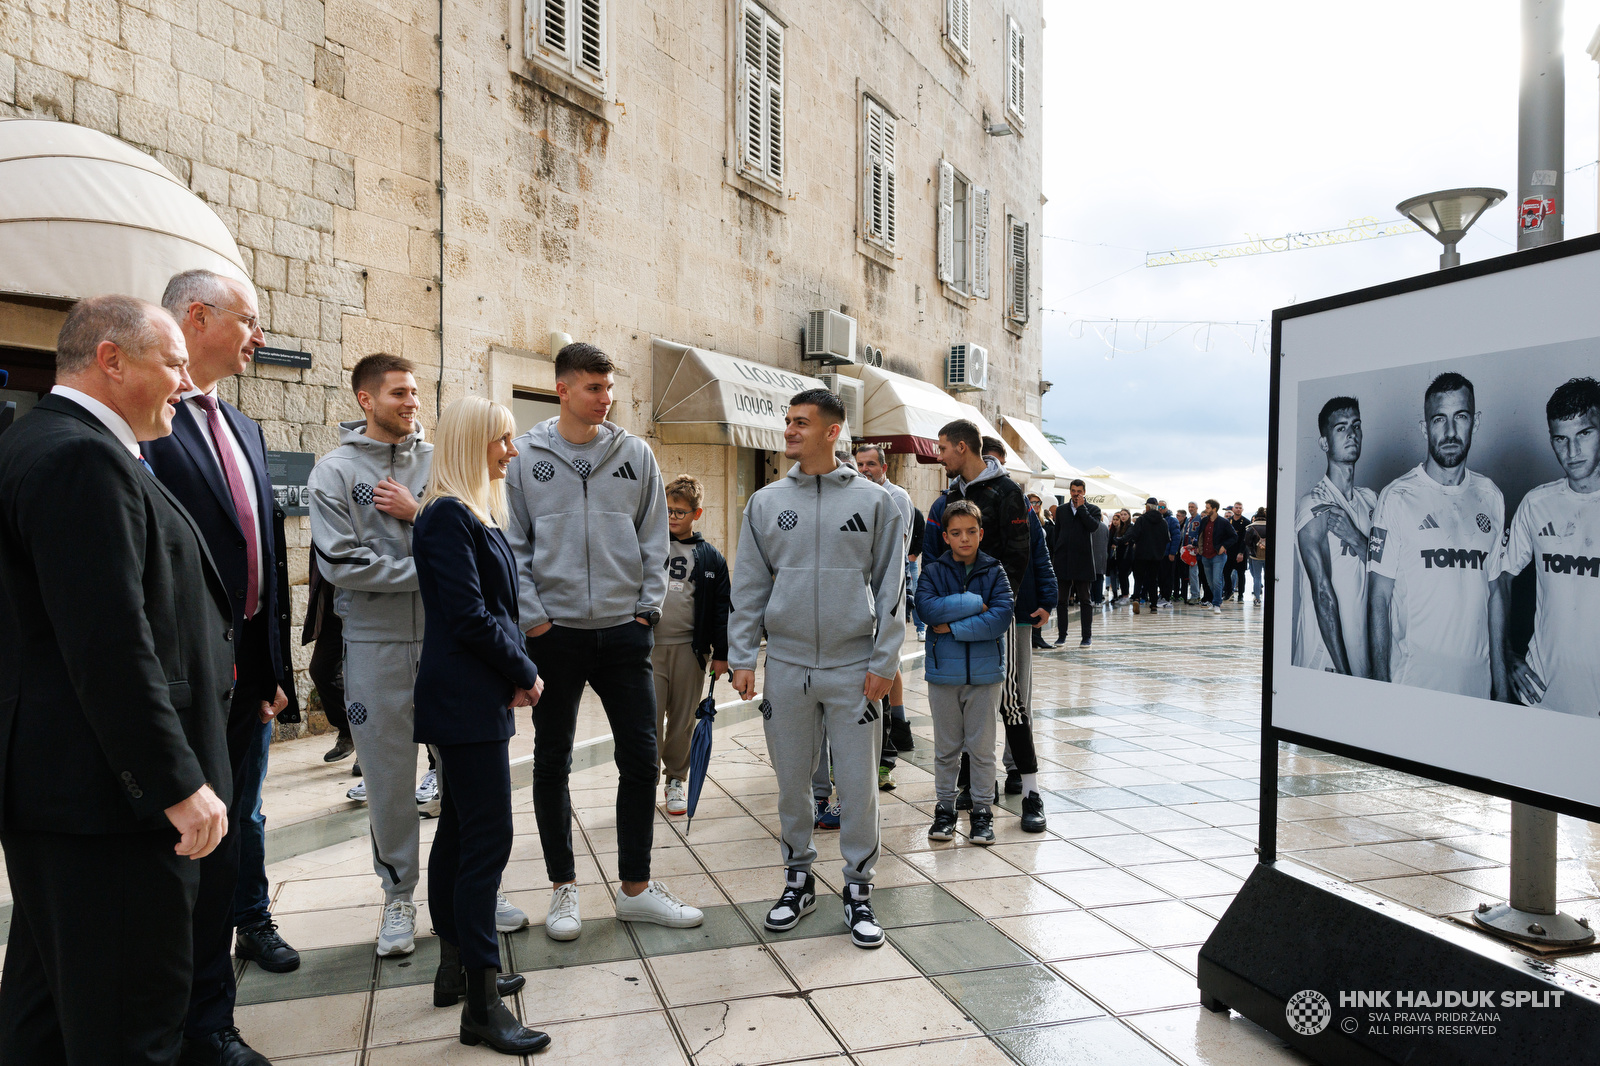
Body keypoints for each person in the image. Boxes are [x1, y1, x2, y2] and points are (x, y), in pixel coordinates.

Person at [0, 295, 233, 1065]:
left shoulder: (37, 439)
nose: (185, 383)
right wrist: (173, 782)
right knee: (130, 1028)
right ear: (111, 360)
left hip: (64, 803)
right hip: (109, 809)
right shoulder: (80, 457)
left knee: (47, 1018)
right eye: (173, 363)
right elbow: (107, 643)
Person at [141, 272, 299, 1066]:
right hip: (177, 687)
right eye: (248, 321)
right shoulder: (141, 425)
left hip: (246, 690)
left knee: (230, 847)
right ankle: (177, 1022)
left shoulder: (243, 423)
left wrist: (273, 672)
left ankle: (210, 1020)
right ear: (195, 318)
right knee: (178, 862)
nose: (258, 339)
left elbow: (259, 549)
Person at [505, 342, 702, 940]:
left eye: (609, 388)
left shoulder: (635, 455)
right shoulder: (526, 459)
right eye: (594, 388)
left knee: (640, 760)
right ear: (562, 389)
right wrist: (535, 618)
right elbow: (515, 545)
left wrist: (646, 610)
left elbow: (654, 543)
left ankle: (636, 889)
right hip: (554, 636)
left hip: (623, 634)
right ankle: (564, 889)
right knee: (551, 761)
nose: (606, 398)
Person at [729, 388, 905, 948]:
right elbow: (749, 585)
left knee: (857, 788)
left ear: (833, 432)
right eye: (788, 422)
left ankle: (858, 889)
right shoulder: (764, 503)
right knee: (791, 785)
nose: (788, 432)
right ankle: (798, 881)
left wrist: (884, 661)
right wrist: (741, 655)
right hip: (787, 664)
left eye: (800, 423)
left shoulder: (876, 503)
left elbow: (892, 588)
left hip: (854, 668)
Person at [310, 353, 462, 957]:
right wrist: (435, 567)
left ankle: (470, 889)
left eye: (416, 392)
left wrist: (420, 513)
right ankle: (398, 898)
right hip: (374, 644)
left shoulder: (441, 463)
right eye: (398, 393)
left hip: (450, 639)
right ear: (365, 400)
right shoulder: (334, 473)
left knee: (464, 773)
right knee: (389, 778)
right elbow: (343, 565)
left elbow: (480, 534)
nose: (412, 402)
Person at [412, 397, 549, 1055]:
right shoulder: (445, 516)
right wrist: (524, 669)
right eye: (503, 439)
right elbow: (470, 616)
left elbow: (487, 608)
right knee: (487, 841)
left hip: (470, 695)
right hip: (465, 699)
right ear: (473, 442)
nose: (512, 451)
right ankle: (482, 1004)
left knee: (463, 833)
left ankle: (458, 968)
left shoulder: (463, 513)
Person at [924, 423, 1047, 832]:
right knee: (963, 709)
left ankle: (1030, 792)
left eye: (943, 449)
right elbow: (936, 561)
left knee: (1010, 701)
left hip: (998, 614)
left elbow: (1020, 555)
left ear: (963, 447)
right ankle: (973, 791)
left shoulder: (1008, 492)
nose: (939, 456)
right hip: (960, 614)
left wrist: (994, 608)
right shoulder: (950, 496)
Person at [1369, 373, 1506, 698]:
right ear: (1424, 427)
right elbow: (1379, 599)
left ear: (1475, 421)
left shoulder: (1491, 496)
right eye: (1438, 419)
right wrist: (1378, 690)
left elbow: (1496, 593)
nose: (1449, 432)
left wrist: (1500, 684)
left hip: (1477, 691)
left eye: (1460, 417)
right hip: (1413, 687)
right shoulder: (1397, 497)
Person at [1494, 377, 1600, 715]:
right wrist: (1507, 654)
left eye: (1584, 434)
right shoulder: (1536, 504)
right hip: (1542, 698)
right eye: (1561, 439)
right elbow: (1500, 577)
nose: (1572, 452)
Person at [918, 500, 1013, 846]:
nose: (965, 539)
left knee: (982, 749)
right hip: (944, 676)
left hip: (985, 677)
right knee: (946, 748)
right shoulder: (932, 571)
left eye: (971, 532)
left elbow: (1000, 617)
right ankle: (944, 809)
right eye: (956, 533)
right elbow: (927, 609)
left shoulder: (995, 571)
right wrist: (974, 603)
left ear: (981, 533)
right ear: (945, 536)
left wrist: (953, 627)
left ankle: (982, 812)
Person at [654, 475, 731, 816]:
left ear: (696, 514)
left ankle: (675, 781)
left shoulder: (710, 557)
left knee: (683, 720)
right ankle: (642, 779)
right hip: (649, 648)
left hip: (690, 650)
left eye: (680, 512)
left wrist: (722, 654)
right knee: (648, 719)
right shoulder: (649, 546)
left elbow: (720, 609)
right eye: (668, 510)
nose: (672, 517)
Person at [1293, 397, 1376, 676]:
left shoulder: (1371, 502)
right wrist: (1343, 672)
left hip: (1364, 656)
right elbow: (1321, 590)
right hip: (1328, 661)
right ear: (1324, 443)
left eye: (1356, 426)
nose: (1351, 434)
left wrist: (1356, 538)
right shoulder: (1314, 504)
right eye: (1341, 428)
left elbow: (1394, 573)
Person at [853, 443, 917, 763]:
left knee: (888, 658)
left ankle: (898, 726)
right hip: (865, 589)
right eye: (859, 464)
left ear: (884, 468)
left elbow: (895, 550)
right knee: (885, 660)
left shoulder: (897, 498)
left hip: (889, 588)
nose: (864, 470)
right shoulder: (858, 496)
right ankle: (896, 727)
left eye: (870, 465)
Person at [303, 555, 354, 762]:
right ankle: (350, 730)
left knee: (366, 678)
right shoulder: (323, 523)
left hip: (366, 609)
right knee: (321, 670)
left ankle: (370, 746)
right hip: (333, 608)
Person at [1051, 479, 1101, 646]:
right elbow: (1057, 534)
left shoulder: (1093, 509)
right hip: (1063, 559)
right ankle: (1062, 635)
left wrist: (1081, 509)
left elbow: (1093, 527)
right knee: (1062, 600)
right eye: (1073, 490)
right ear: (1070, 491)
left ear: (1084, 492)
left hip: (1083, 560)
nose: (1076, 494)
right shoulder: (1062, 510)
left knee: (1085, 599)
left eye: (1079, 491)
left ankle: (1086, 636)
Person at [1126, 498, 1169, 615]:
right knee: (1153, 580)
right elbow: (1167, 539)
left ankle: (1136, 598)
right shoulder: (1163, 521)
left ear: (1148, 507)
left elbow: (1134, 535)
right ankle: (1154, 605)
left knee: (1138, 578)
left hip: (1141, 555)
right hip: (1156, 557)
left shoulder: (1141, 520)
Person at [1195, 500, 1237, 613]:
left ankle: (1217, 604)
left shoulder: (1223, 522)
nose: (1206, 509)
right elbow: (1200, 535)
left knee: (1216, 580)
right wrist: (1198, 546)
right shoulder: (1204, 520)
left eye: (1208, 508)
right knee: (1210, 582)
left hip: (1218, 555)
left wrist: (1224, 546)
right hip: (1205, 555)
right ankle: (1216, 601)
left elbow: (1234, 536)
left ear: (1214, 509)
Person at [1224, 502, 1251, 602]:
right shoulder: (1227, 521)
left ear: (1242, 510)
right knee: (1226, 573)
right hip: (1229, 552)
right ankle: (1228, 592)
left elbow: (1245, 539)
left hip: (1241, 552)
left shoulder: (1246, 522)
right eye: (1236, 508)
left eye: (1240, 508)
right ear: (1233, 509)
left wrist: (1241, 553)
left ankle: (1240, 595)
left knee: (1241, 574)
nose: (1238, 509)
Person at [1246, 508, 1268, 606]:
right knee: (1269, 577)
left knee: (1257, 577)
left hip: (1255, 556)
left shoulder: (1251, 527)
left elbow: (1247, 541)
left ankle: (1257, 598)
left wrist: (1252, 550)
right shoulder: (1271, 526)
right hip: (1268, 556)